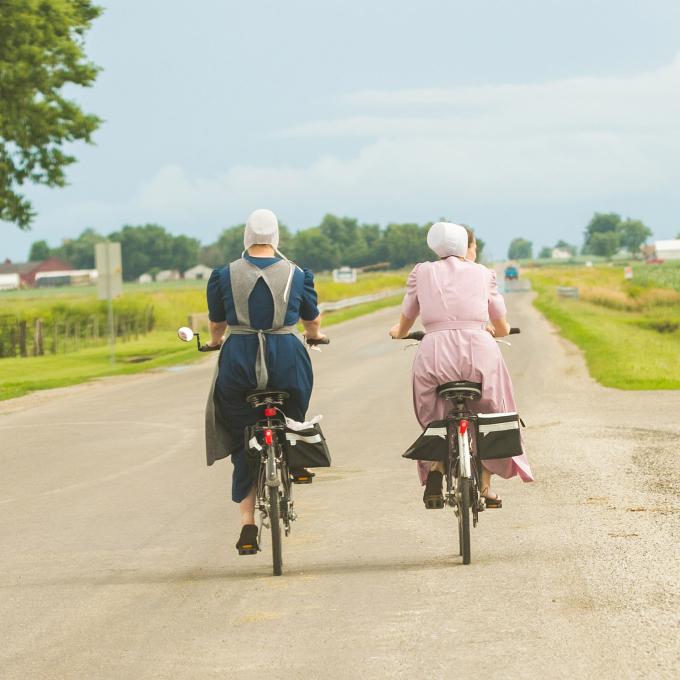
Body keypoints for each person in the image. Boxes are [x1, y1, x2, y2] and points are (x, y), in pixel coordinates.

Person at [204, 209, 326, 554]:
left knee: (241, 431)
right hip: (285, 354)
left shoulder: (223, 275)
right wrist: (315, 334)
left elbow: (217, 325)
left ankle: (247, 524)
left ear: (246, 237)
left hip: (240, 358)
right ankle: (296, 450)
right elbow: (311, 319)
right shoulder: (298, 274)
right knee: (297, 398)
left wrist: (215, 342)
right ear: (276, 238)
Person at [389, 222, 533, 508]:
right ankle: (486, 485)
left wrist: (399, 331)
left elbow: (406, 318)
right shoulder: (484, 274)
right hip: (479, 352)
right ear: (464, 245)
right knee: (493, 413)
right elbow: (501, 324)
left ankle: (436, 469)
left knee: (430, 413)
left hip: (435, 353)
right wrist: (491, 329)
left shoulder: (422, 272)